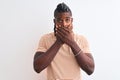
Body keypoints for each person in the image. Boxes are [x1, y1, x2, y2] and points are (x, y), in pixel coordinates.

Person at [33, 2, 95, 80]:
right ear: (54, 22)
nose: (64, 24)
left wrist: (72, 43)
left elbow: (90, 70)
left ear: (71, 21)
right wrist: (59, 42)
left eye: (67, 20)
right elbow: (37, 68)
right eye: (59, 20)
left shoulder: (81, 40)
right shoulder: (45, 39)